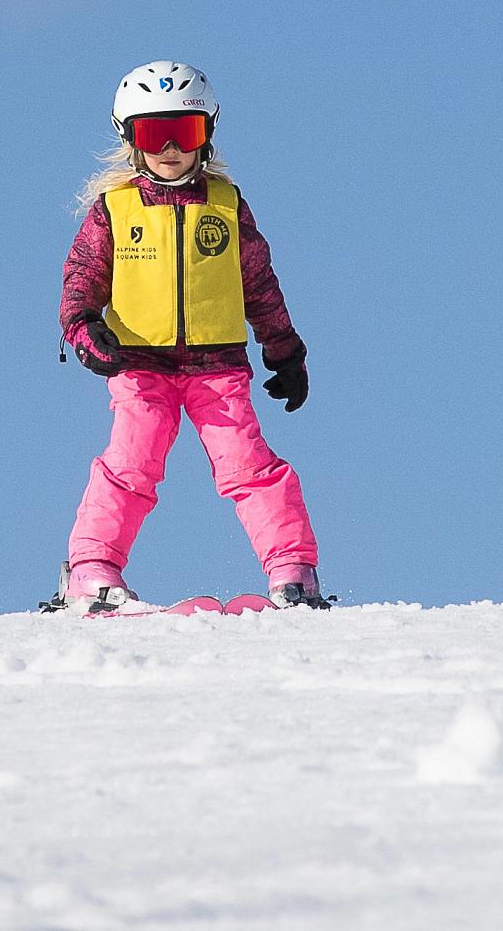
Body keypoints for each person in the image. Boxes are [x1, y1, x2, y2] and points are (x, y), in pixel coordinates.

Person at [45, 60, 328, 613]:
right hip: (139, 362)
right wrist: (82, 329)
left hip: (217, 366)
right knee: (132, 460)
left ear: (207, 134)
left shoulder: (224, 204)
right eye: (154, 133)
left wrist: (283, 347)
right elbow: (82, 276)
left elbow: (257, 280)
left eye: (186, 131)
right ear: (130, 138)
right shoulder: (116, 208)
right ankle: (91, 571)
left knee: (249, 464)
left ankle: (293, 571)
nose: (170, 147)